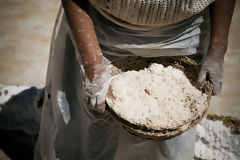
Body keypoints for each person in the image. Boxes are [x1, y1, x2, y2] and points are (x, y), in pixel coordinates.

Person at [34, 0, 236, 159]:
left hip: (185, 35)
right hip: (102, 32)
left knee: (172, 143)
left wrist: (218, 50)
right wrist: (92, 65)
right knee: (93, 131)